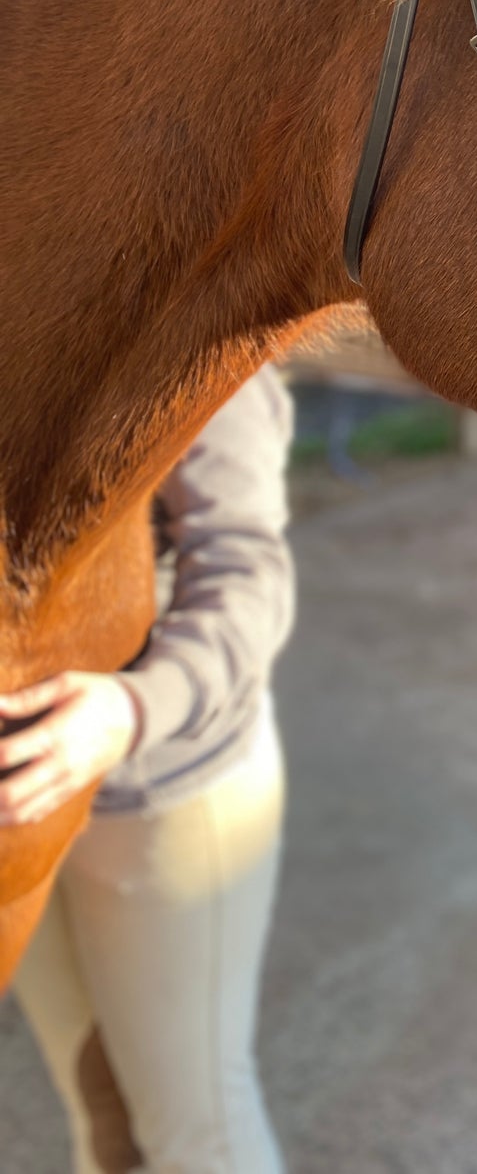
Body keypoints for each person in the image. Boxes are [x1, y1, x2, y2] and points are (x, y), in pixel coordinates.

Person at [0, 367, 296, 1174]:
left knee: (197, 1128)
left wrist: (133, 708)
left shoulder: (195, 330)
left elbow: (249, 574)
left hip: (169, 787)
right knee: (95, 1104)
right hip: (29, 796)